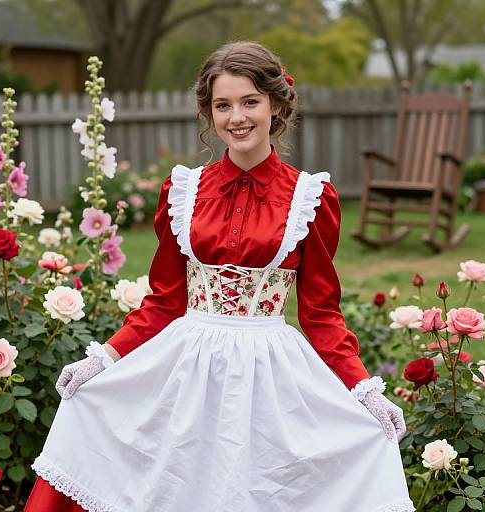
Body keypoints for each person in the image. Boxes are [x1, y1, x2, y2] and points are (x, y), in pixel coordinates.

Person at [25, 41, 415, 512]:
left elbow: (320, 314)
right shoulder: (184, 191)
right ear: (209, 113)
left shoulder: (311, 198)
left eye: (250, 101)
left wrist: (362, 388)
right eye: (223, 105)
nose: (237, 117)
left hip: (269, 372)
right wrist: (104, 360)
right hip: (187, 366)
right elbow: (164, 301)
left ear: (275, 104)